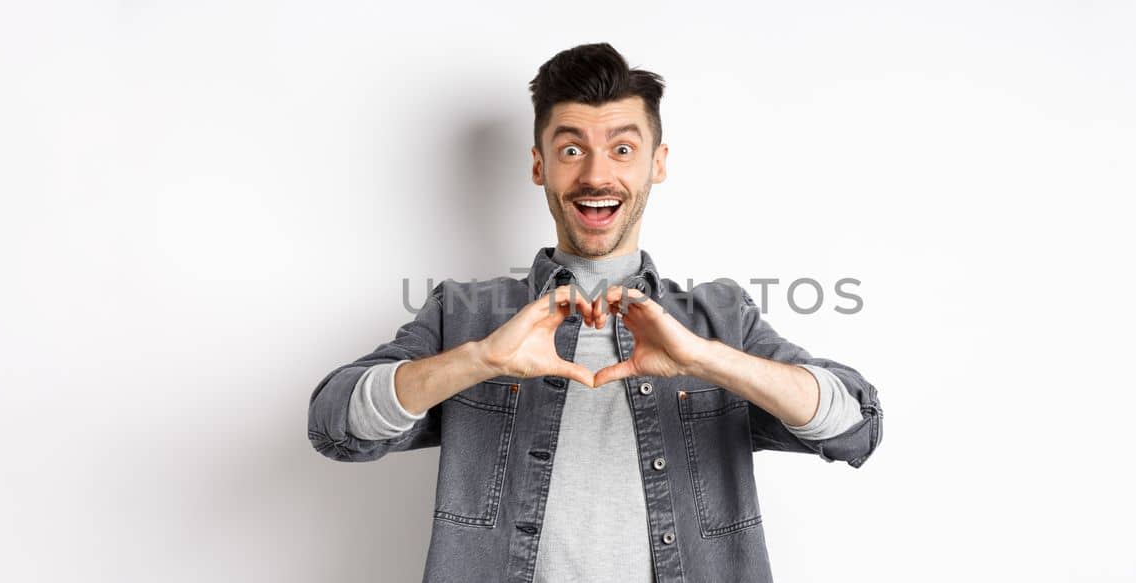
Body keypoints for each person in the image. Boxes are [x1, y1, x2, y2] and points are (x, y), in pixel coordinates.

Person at [307, 42, 883, 583]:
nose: (596, 176)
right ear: (540, 166)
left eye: (623, 149)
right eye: (572, 149)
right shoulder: (466, 314)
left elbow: (856, 425)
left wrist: (708, 360)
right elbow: (334, 424)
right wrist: (481, 359)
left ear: (657, 163)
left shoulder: (720, 317)